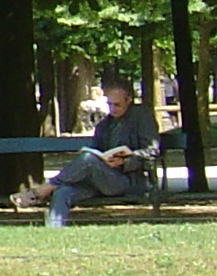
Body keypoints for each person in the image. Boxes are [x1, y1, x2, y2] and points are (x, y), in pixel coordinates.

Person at [13, 77, 159, 223]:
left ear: (128, 100)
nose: (113, 109)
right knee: (63, 191)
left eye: (117, 105)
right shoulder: (105, 125)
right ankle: (54, 230)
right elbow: (97, 151)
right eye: (109, 104)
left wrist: (125, 161)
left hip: (128, 180)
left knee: (87, 159)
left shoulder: (141, 116)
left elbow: (152, 150)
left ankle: (41, 191)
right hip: (100, 180)